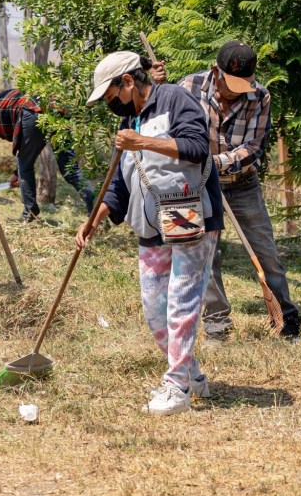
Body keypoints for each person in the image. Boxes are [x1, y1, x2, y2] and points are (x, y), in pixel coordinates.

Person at [76, 51, 223, 416]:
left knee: (181, 303)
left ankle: (177, 387)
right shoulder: (132, 119)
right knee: (155, 310)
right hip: (151, 225)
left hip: (188, 214)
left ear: (128, 82)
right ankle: (190, 373)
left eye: (110, 96)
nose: (110, 104)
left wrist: (142, 142)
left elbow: (196, 148)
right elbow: (122, 183)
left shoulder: (174, 99)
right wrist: (95, 217)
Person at [174, 41, 301, 341]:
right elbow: (174, 133)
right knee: (205, 256)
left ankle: (286, 319)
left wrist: (212, 162)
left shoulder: (259, 95)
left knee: (266, 253)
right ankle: (217, 325)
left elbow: (253, 148)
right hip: (198, 186)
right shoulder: (187, 87)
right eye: (230, 83)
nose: (236, 91)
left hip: (242, 184)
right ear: (215, 71)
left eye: (242, 83)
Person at [0, 78, 96, 220]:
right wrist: (18, 173)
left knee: (26, 165)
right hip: (55, 106)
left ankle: (30, 213)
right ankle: (97, 211)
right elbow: (27, 147)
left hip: (33, 110)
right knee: (70, 169)